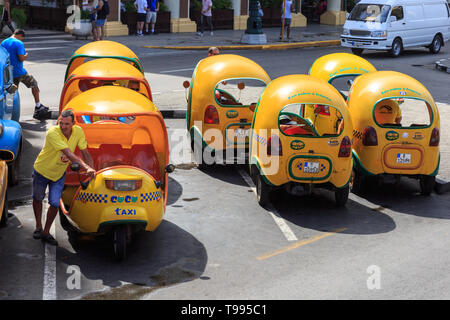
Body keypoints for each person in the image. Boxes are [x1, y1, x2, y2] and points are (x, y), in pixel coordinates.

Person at [32, 109, 95, 246]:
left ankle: (46, 232)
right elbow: (69, 154)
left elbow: (85, 152)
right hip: (42, 171)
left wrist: (92, 170)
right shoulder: (53, 133)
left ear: (73, 123)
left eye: (67, 124)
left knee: (54, 203)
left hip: (58, 175)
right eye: (61, 123)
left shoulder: (78, 131)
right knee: (37, 198)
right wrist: (86, 168)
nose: (63, 127)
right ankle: (38, 226)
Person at [1, 29, 49, 120]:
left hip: (8, 73)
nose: (22, 40)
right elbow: (21, 58)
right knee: (34, 84)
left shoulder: (3, 42)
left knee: (12, 93)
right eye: (22, 38)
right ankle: (38, 106)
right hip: (19, 72)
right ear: (20, 36)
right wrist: (26, 55)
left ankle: (9, 113)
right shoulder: (19, 43)